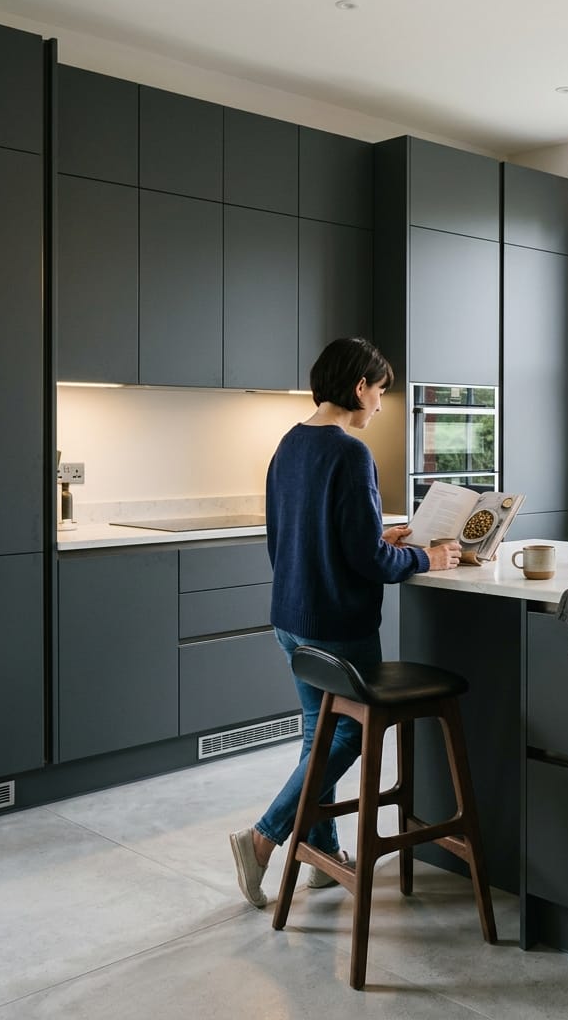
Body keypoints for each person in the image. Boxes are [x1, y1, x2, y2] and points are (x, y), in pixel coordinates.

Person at [229, 337, 461, 908]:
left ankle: (325, 856)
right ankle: (262, 839)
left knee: (318, 735)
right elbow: (371, 565)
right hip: (337, 624)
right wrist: (427, 557)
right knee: (353, 732)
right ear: (359, 387)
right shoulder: (350, 453)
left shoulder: (289, 445)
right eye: (381, 391)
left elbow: (303, 539)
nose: (382, 404)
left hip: (291, 618)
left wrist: (379, 538)